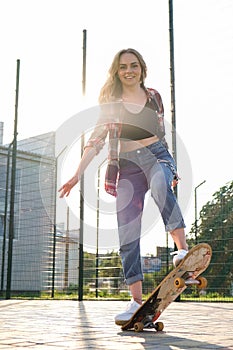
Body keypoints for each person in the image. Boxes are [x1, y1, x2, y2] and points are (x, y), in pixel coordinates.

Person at [59, 48, 188, 325]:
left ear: (141, 67)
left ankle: (182, 252)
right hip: (127, 167)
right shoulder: (111, 103)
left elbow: (160, 134)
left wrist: (169, 165)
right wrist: (76, 174)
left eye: (133, 65)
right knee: (127, 233)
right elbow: (95, 141)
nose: (129, 71)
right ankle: (135, 302)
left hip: (156, 157)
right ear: (116, 72)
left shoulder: (153, 96)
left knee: (160, 187)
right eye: (123, 67)